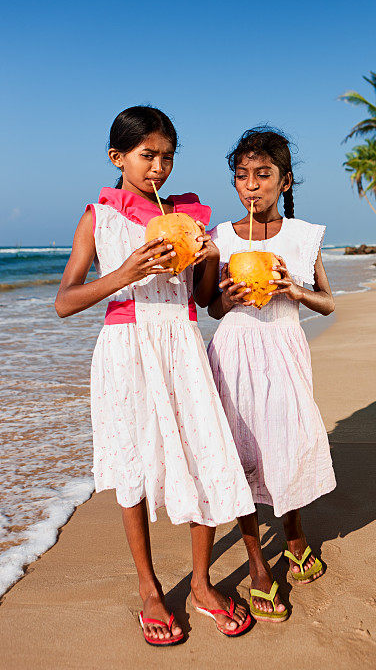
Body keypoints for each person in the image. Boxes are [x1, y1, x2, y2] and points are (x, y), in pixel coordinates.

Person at [55, 106, 255, 645]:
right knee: (134, 465)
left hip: (183, 344)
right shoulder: (100, 217)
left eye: (168, 157)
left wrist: (211, 260)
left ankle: (201, 584)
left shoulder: (189, 217)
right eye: (148, 157)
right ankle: (148, 587)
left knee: (206, 457)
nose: (159, 169)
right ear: (118, 157)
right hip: (126, 349)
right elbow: (64, 301)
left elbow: (206, 301)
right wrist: (124, 272)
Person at [207, 126, 337, 622]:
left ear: (284, 181)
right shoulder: (219, 237)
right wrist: (228, 298)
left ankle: (295, 534)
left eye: (263, 175)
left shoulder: (304, 237)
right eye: (242, 176)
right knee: (241, 453)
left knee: (285, 445)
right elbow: (212, 307)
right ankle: (257, 564)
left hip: (284, 349)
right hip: (235, 351)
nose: (251, 186)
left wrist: (294, 290)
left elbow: (326, 302)